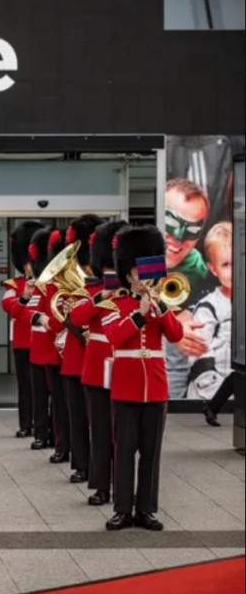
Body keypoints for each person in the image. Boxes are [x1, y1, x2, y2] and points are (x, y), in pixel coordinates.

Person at [103, 225, 184, 532]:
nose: (143, 278)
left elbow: (176, 335)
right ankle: (122, 510)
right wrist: (138, 313)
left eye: (146, 272)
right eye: (137, 272)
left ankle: (146, 510)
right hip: (125, 389)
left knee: (151, 454)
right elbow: (114, 336)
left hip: (156, 390)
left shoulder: (162, 304)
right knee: (124, 452)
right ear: (127, 275)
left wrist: (161, 310)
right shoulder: (117, 305)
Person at [69, 220, 129, 506]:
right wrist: (98, 298)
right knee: (101, 430)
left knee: (124, 434)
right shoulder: (91, 290)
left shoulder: (136, 294)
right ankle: (102, 485)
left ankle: (123, 485)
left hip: (125, 369)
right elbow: (76, 318)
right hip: (96, 369)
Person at [44, 215, 103, 484]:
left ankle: (100, 467)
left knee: (99, 421)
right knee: (77, 416)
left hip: (100, 359)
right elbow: (62, 319)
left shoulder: (106, 288)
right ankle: (81, 463)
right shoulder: (71, 287)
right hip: (76, 357)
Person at [17, 228, 64, 459]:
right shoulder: (37, 285)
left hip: (54, 348)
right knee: (38, 396)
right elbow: (24, 313)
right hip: (38, 347)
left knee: (57, 398)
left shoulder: (56, 286)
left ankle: (57, 438)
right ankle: (41, 433)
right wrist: (27, 299)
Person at [163, 178, 213, 397]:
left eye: (191, 230)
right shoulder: (133, 257)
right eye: (171, 222)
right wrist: (173, 324)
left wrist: (189, 310)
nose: (178, 238)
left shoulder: (202, 270)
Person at [1, 221, 43, 437]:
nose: (29, 266)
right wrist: (25, 296)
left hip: (43, 343)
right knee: (26, 387)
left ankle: (42, 424)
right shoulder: (13, 285)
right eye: (27, 262)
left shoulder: (49, 284)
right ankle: (26, 423)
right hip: (23, 342)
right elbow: (9, 307)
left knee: (43, 389)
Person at [187, 222, 232, 401]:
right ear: (213, 269)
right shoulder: (209, 307)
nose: (234, 269)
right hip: (208, 397)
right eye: (226, 264)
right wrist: (219, 396)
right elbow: (199, 356)